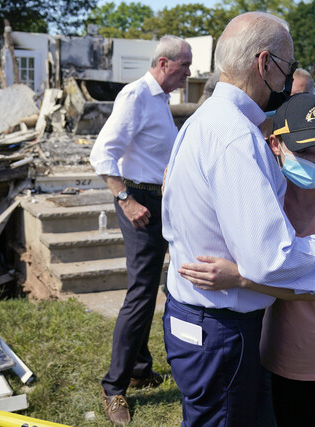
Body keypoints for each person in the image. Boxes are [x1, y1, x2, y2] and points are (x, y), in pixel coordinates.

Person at [161, 12, 315, 426]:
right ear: (265, 64)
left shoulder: (203, 121)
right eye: (288, 67)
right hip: (220, 327)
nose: (287, 80)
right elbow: (270, 260)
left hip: (201, 317)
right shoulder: (238, 138)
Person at [89, 35, 192, 426]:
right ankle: (114, 388)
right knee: (141, 293)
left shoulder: (159, 99)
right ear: (164, 63)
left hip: (159, 201)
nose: (188, 72)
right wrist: (125, 200)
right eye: (184, 65)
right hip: (141, 203)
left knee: (152, 289)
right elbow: (103, 153)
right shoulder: (136, 95)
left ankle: (139, 368)